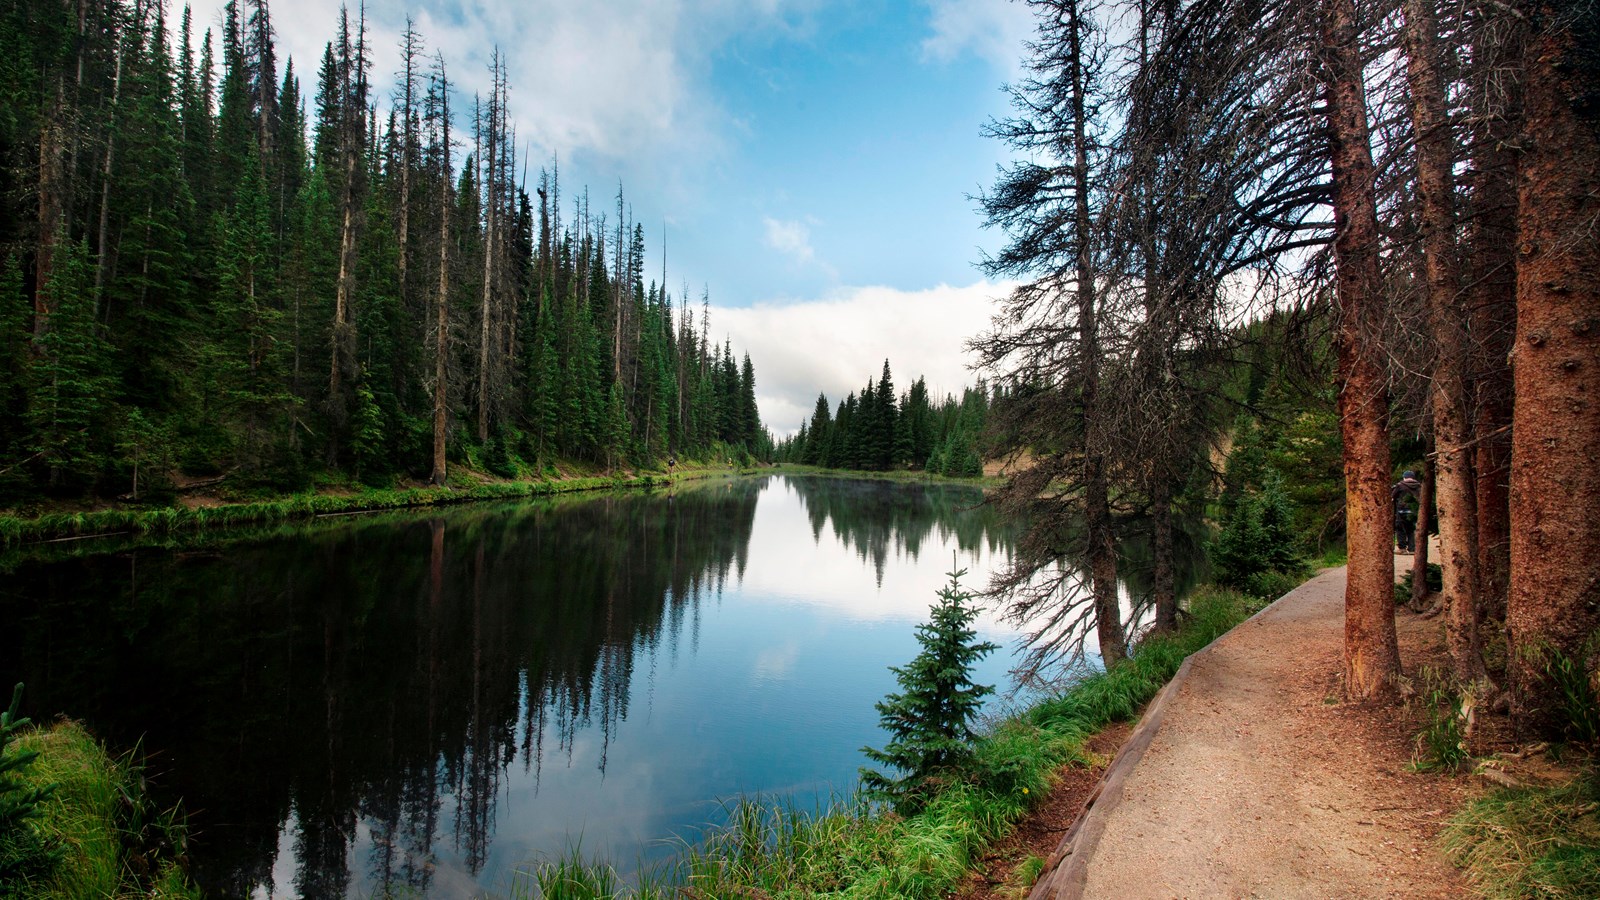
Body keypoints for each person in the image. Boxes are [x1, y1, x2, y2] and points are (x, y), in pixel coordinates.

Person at [1392, 470, 1422, 553]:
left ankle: (1402, 548)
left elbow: (1392, 497)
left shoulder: (1400, 485)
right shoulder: (1418, 486)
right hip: (1413, 510)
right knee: (1411, 529)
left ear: (1404, 477)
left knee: (1400, 529)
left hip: (1401, 510)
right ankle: (1412, 548)